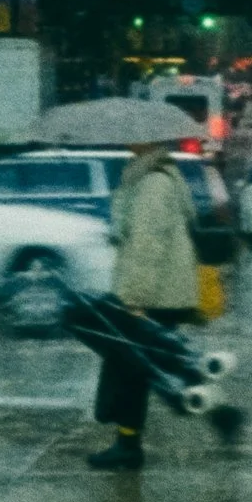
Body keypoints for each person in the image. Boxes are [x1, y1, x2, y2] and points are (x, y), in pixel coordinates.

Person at [87, 140, 202, 470]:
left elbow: (146, 247)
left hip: (153, 295)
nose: (127, 142)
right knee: (144, 369)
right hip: (163, 292)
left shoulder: (152, 183)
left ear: (146, 141)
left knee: (134, 373)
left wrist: (134, 300)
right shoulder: (155, 176)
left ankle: (128, 447)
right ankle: (129, 442)